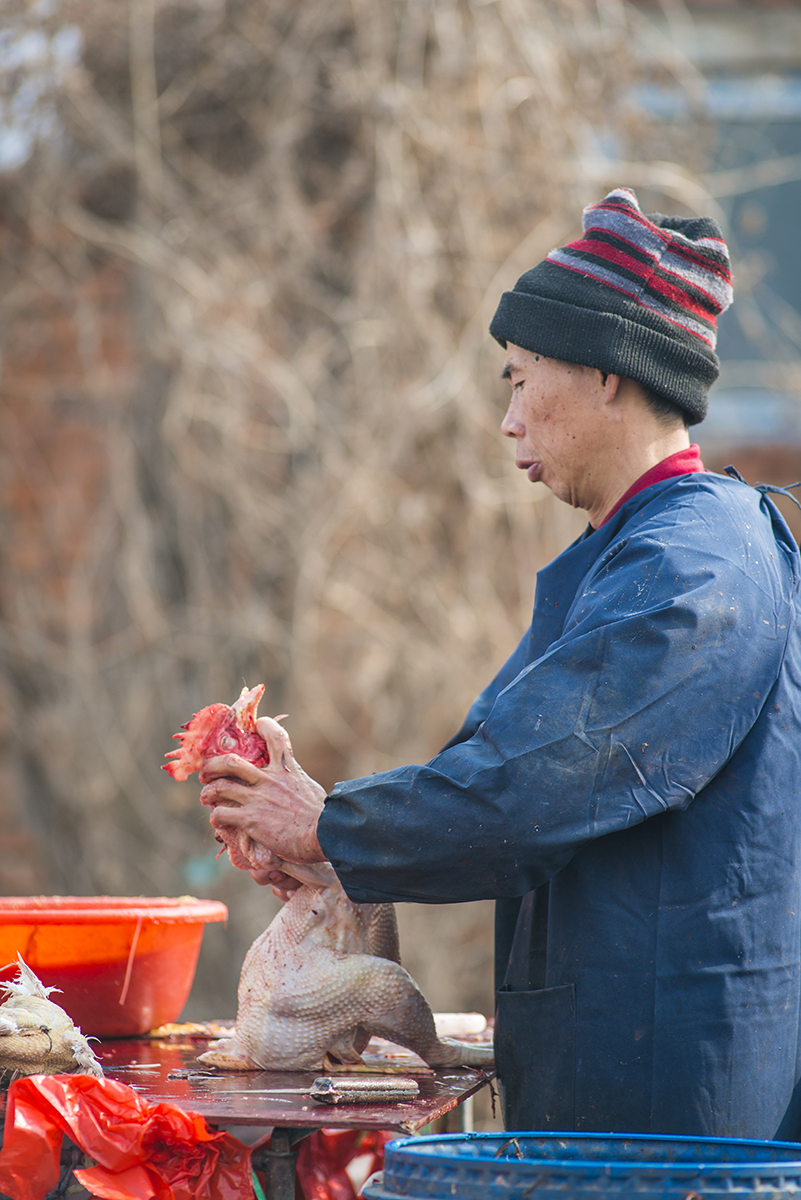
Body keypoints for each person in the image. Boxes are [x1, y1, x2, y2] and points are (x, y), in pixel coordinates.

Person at [199, 188, 801, 1139]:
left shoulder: (689, 569)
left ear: (609, 374)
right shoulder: (635, 553)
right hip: (618, 1066)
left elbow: (532, 786)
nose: (510, 421)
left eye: (521, 380)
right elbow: (492, 760)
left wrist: (334, 829)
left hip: (671, 1102)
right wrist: (328, 835)